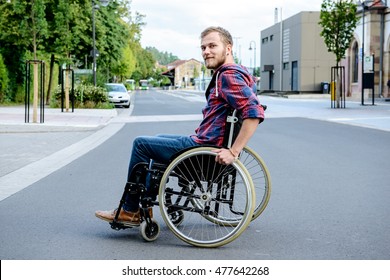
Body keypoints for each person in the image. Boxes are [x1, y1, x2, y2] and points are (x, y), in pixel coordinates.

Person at [95, 26, 265, 226]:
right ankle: (145, 207)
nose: (206, 52)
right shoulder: (239, 73)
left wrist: (234, 151)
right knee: (157, 138)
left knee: (141, 144)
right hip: (205, 142)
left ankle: (131, 210)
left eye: (212, 46)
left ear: (228, 48)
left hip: (203, 149)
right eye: (203, 48)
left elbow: (254, 113)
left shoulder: (227, 76)